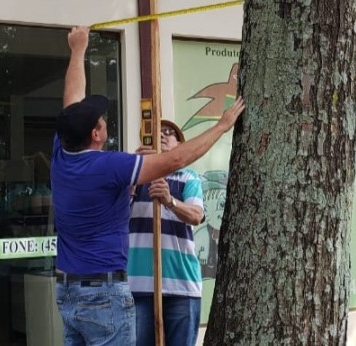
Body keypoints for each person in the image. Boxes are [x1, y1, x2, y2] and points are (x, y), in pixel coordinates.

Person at [52, 26, 245, 346]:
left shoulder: (62, 153)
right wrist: (222, 126)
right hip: (104, 292)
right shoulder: (109, 166)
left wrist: (78, 50)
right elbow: (173, 161)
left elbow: (72, 99)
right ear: (96, 135)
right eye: (100, 120)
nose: (103, 121)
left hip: (69, 290)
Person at [128, 119, 205, 346]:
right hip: (139, 284)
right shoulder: (133, 176)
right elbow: (113, 217)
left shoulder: (188, 177)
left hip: (181, 284)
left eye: (169, 133)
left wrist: (169, 200)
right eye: (155, 132)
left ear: (181, 145)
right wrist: (132, 176)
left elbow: (196, 215)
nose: (162, 135)